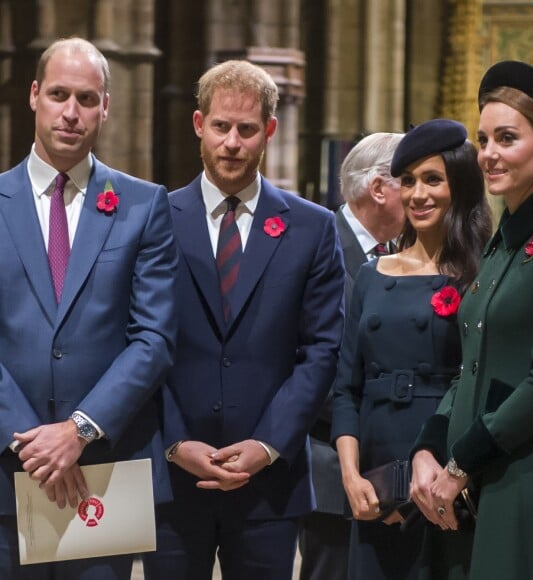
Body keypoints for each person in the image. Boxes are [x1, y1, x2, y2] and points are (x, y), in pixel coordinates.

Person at [142, 59, 345, 580]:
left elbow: (321, 349)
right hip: (171, 475)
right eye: (221, 127)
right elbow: (136, 342)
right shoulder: (153, 219)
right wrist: (173, 440)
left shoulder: (312, 228)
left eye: (247, 129)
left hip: (268, 484)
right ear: (198, 125)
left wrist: (267, 445)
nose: (232, 142)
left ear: (269, 132)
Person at [0, 38, 177, 579]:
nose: (71, 113)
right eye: (58, 94)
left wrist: (77, 430)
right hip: (8, 464)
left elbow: (154, 337)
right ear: (34, 96)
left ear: (106, 106)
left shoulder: (143, 206)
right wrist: (36, 443)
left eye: (86, 98)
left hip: (103, 469)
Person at [410, 60, 533, 580]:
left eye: (506, 139)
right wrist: (428, 447)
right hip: (465, 486)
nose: (488, 154)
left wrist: (462, 462)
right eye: (484, 140)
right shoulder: (500, 245)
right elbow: (470, 367)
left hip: (524, 481)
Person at [332, 119, 492, 580]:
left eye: (432, 180)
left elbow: (483, 381)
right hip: (374, 474)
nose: (418, 194)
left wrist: (454, 473)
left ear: (459, 186)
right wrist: (351, 475)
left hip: (449, 469)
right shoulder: (371, 274)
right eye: (408, 181)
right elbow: (347, 387)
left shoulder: (484, 271)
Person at [299, 132, 405, 580]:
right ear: (379, 188)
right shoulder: (314, 244)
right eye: (412, 180)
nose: (422, 194)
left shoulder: (405, 256)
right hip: (330, 459)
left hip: (397, 464)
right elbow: (304, 360)